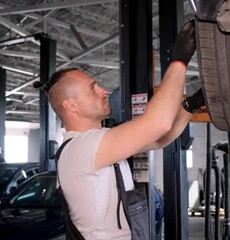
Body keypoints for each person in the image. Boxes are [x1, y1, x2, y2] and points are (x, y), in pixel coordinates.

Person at [34, 20, 204, 239]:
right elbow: (157, 124)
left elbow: (161, 137)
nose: (104, 91)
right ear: (71, 105)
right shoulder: (79, 149)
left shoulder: (99, 143)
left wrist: (190, 105)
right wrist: (179, 62)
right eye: (92, 89)